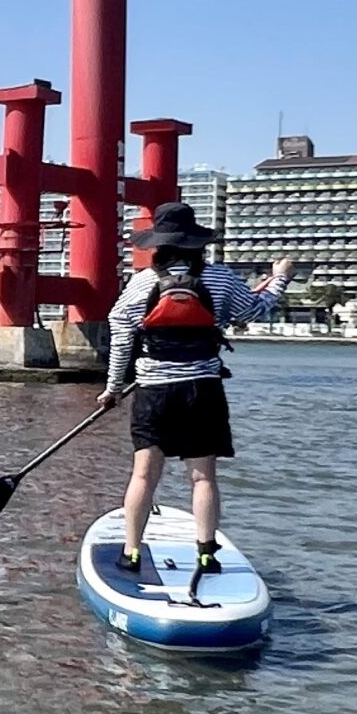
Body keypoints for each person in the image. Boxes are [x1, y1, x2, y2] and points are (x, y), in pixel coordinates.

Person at [97, 200, 294, 577]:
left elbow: (121, 335)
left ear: (158, 245)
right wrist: (280, 277)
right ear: (197, 243)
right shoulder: (220, 278)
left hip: (153, 391)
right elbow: (254, 310)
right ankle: (206, 552)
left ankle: (132, 552)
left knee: (143, 475)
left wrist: (113, 388)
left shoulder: (142, 282)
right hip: (202, 389)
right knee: (203, 476)